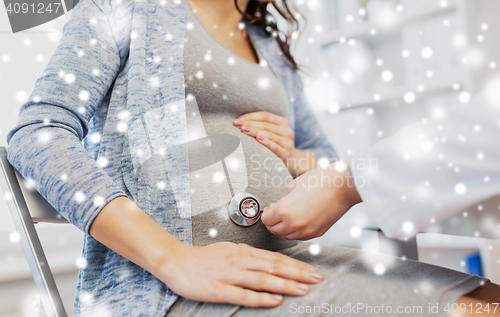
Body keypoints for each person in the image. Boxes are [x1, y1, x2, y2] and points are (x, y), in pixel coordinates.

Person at [5, 0, 495, 316]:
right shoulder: (122, 10)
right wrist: (174, 259)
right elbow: (36, 134)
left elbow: (322, 163)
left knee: (483, 302)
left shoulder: (268, 45)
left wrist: (295, 157)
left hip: (291, 260)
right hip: (167, 288)